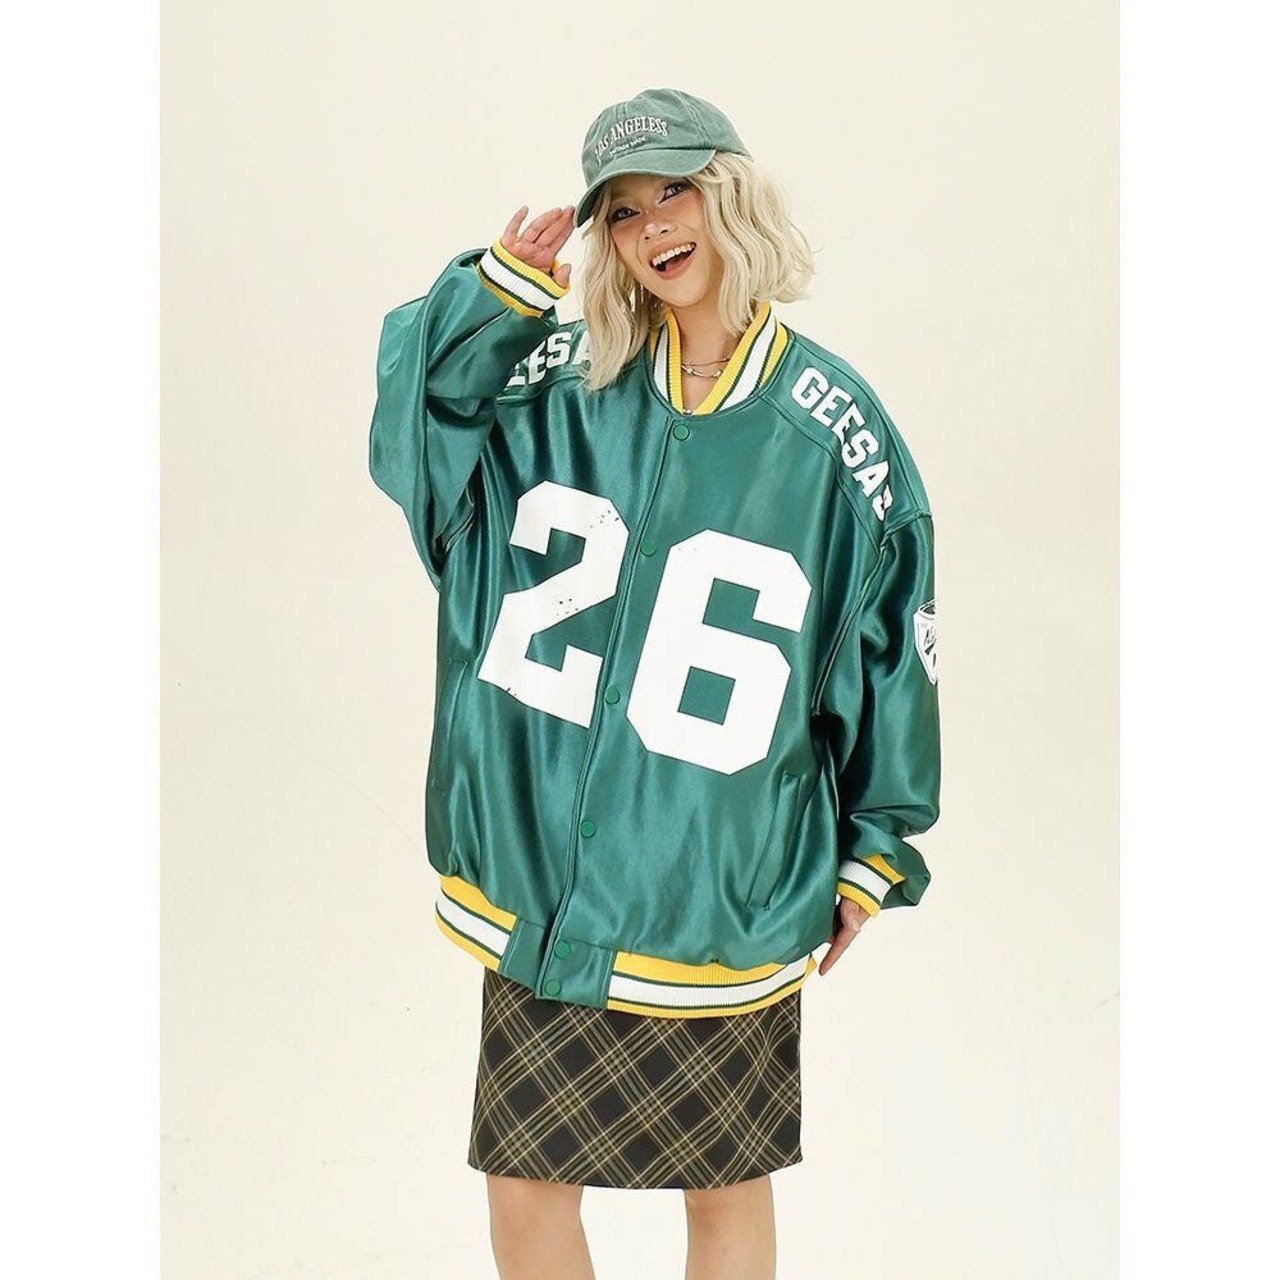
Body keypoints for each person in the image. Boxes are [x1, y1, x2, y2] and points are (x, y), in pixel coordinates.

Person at [368, 87, 941, 1280]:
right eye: (621, 211)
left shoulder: (833, 429)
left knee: (722, 1188)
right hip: (549, 885)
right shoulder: (559, 381)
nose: (651, 227)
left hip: (720, 883)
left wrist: (873, 846)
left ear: (727, 192)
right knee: (524, 1184)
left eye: (672, 189)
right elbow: (414, 434)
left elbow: (886, 634)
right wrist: (491, 299)